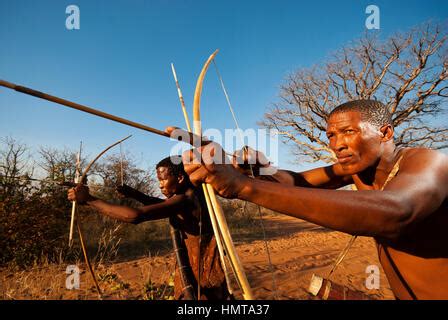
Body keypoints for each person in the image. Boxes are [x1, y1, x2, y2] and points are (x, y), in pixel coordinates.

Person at [176, 99, 448, 300]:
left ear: (385, 133)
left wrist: (244, 187)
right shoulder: (356, 171)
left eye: (348, 132)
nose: (336, 144)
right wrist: (254, 170)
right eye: (331, 135)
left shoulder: (430, 163)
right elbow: (297, 182)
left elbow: (396, 212)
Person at [67, 155, 229, 300]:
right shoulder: (193, 193)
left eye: (163, 180)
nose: (160, 185)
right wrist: (136, 194)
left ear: (179, 178)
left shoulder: (184, 200)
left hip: (202, 270)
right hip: (200, 265)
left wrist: (89, 199)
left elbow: (135, 216)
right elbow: (164, 206)